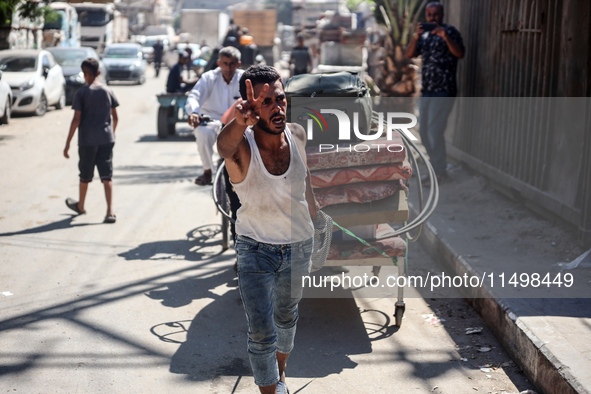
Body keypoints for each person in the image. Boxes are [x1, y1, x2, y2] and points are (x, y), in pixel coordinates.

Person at [217, 65, 317, 394]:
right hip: (255, 249)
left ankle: (281, 375)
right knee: (261, 331)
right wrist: (239, 122)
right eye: (268, 101)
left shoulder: (298, 134)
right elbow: (223, 147)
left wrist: (316, 234)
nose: (277, 107)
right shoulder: (242, 147)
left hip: (298, 246)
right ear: (253, 107)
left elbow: (307, 189)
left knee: (286, 317)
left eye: (281, 99)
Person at [406, 1, 464, 184]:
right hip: (427, 91)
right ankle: (436, 169)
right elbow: (409, 55)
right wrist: (416, 37)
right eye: (430, 15)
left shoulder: (451, 32)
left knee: (434, 132)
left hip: (444, 90)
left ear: (442, 15)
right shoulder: (424, 36)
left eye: (436, 14)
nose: (433, 18)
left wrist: (446, 36)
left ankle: (439, 172)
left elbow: (460, 53)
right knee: (423, 132)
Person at [63, 58, 119, 224]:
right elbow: (115, 118)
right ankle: (110, 211)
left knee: (85, 175)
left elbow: (76, 120)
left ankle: (81, 206)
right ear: (99, 73)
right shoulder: (108, 91)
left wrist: (67, 143)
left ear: (84, 74)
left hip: (87, 141)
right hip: (106, 139)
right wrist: (111, 134)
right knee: (106, 175)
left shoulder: (82, 93)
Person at [185, 46, 244, 186]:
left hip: (236, 122)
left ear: (238, 64)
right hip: (212, 120)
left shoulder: (244, 79)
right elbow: (194, 96)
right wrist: (194, 112)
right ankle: (207, 172)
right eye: (225, 63)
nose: (228, 68)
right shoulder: (208, 78)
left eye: (232, 64)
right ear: (219, 63)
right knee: (203, 133)